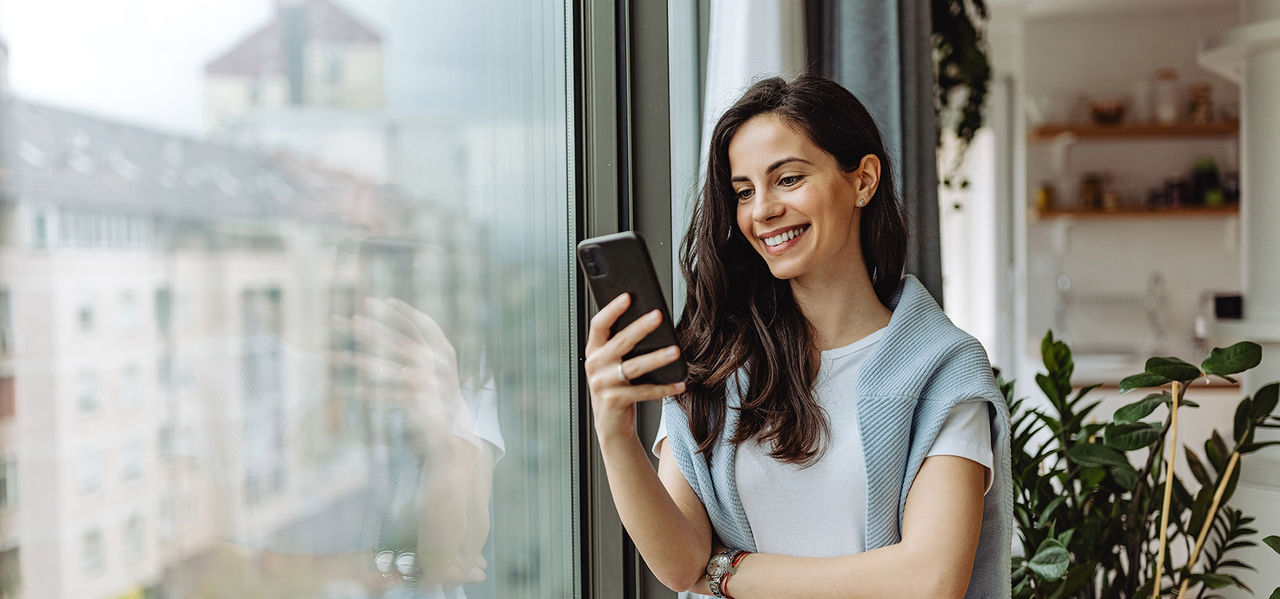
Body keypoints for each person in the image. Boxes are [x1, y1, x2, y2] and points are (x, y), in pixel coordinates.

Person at [583, 74, 1011, 598]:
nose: (761, 210)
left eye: (787, 179)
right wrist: (616, 436)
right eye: (744, 191)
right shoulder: (717, 361)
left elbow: (930, 580)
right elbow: (678, 564)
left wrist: (726, 571)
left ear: (863, 180)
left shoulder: (943, 370)